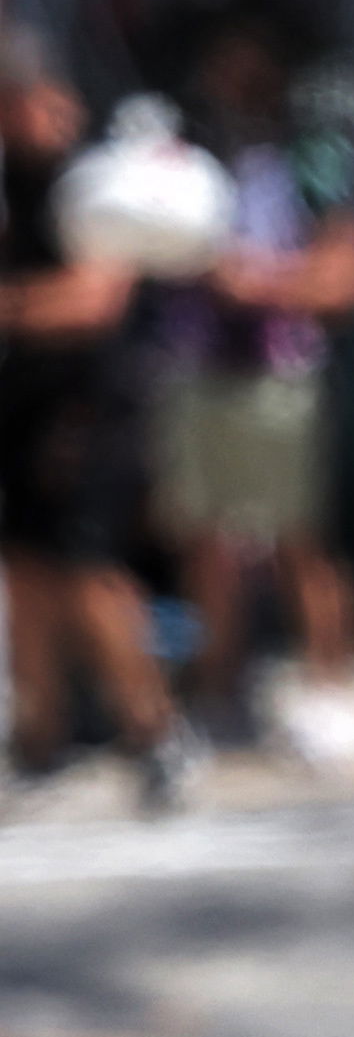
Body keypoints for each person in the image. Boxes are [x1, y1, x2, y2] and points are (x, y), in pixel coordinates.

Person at [149, 17, 354, 721]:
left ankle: (328, 692)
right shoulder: (186, 158)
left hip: (281, 379)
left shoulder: (315, 162)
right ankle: (219, 689)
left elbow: (348, 277)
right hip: (199, 372)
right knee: (205, 540)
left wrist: (259, 282)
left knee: (300, 538)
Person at [0, 57, 186, 804]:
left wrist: (10, 308)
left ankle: (156, 731)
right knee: (24, 567)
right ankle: (41, 736)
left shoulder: (94, 187)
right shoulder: (16, 186)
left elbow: (94, 300)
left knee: (89, 571)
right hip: (22, 404)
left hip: (92, 408)